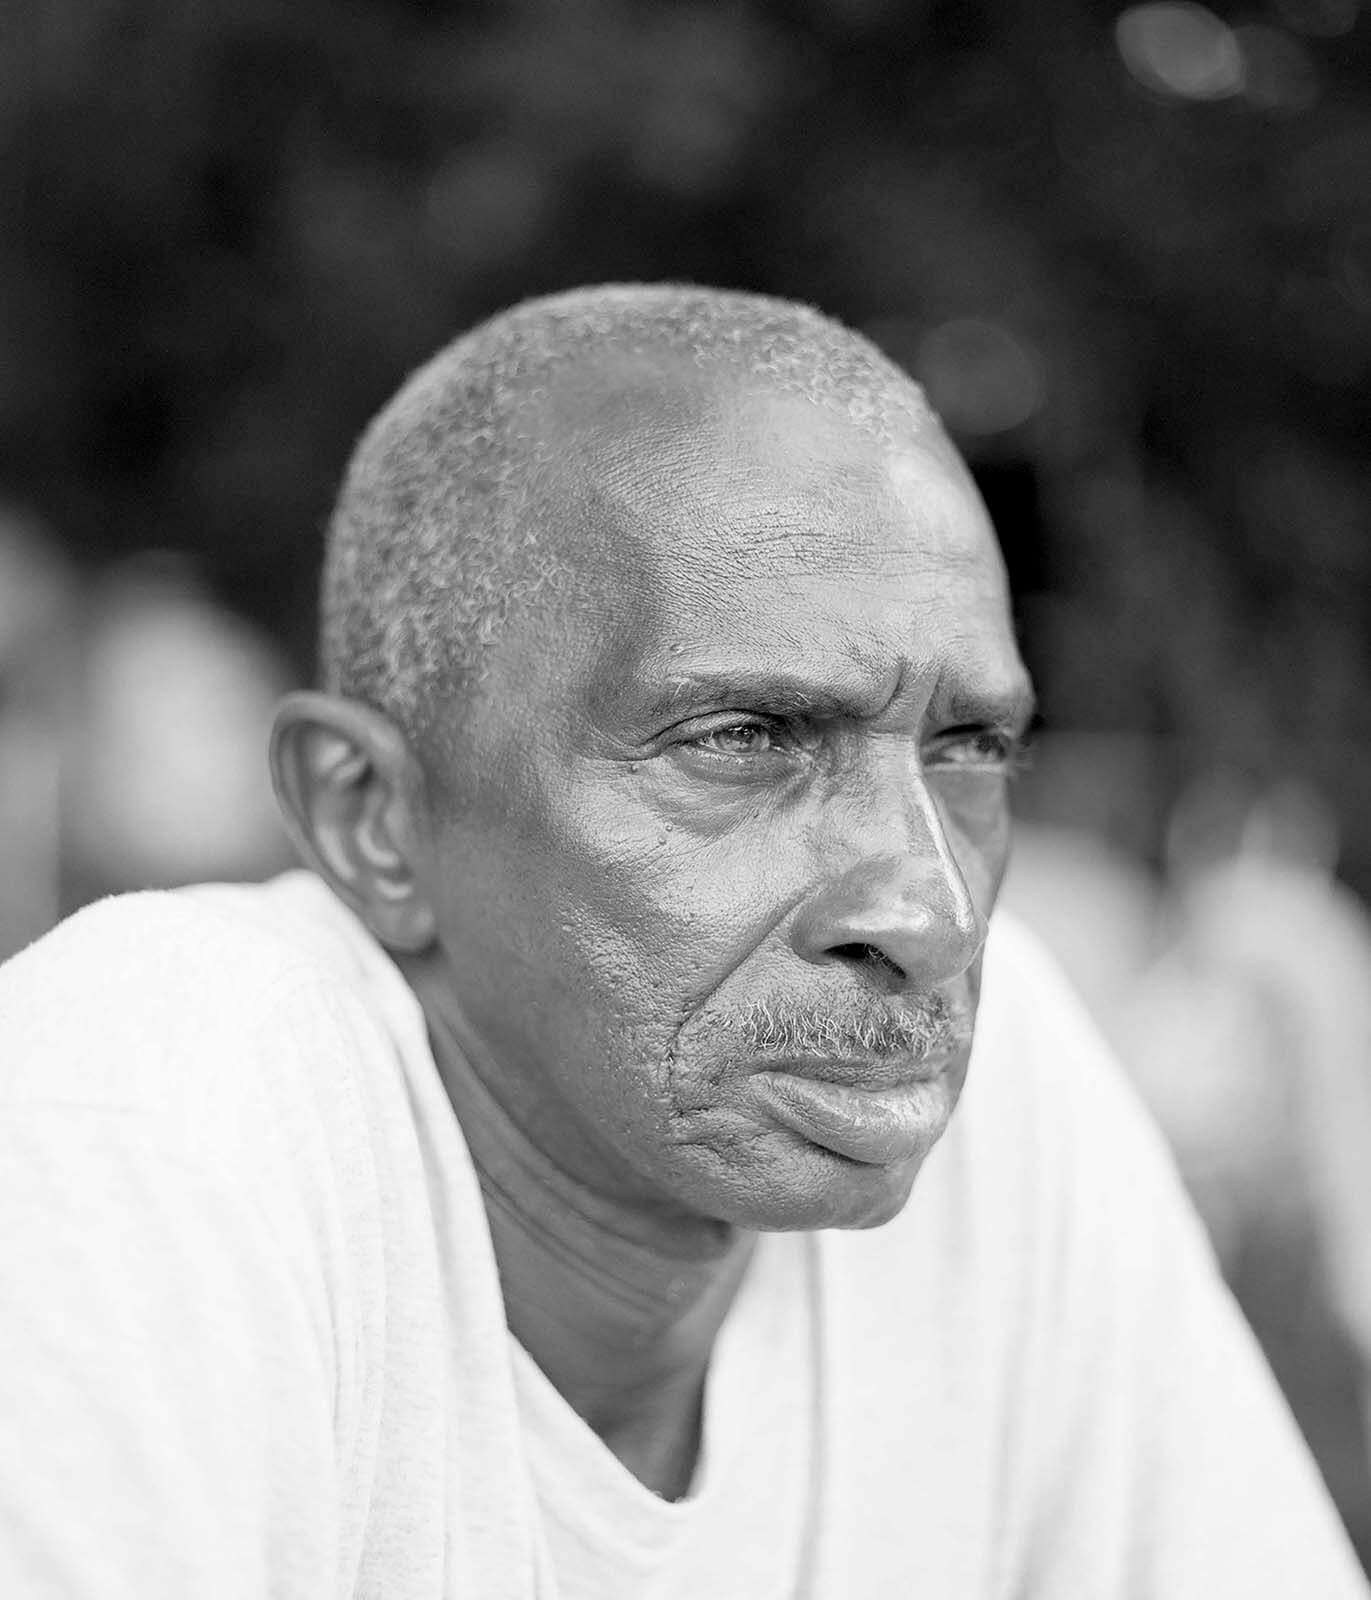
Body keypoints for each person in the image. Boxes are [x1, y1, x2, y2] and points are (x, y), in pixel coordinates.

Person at [0, 286, 1363, 1599]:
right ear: (374, 818)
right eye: (745, 740)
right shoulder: (144, 1106)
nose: (933, 919)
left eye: (970, 749)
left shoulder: (1009, 1103)